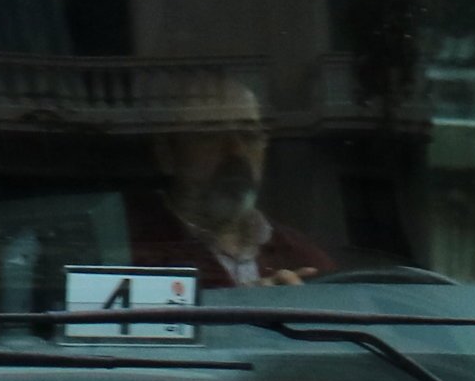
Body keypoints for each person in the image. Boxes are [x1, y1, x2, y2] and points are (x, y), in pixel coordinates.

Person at [129, 72, 328, 288]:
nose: (236, 152)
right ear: (166, 153)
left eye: (248, 134)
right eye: (210, 134)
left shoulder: (299, 253)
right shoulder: (132, 255)